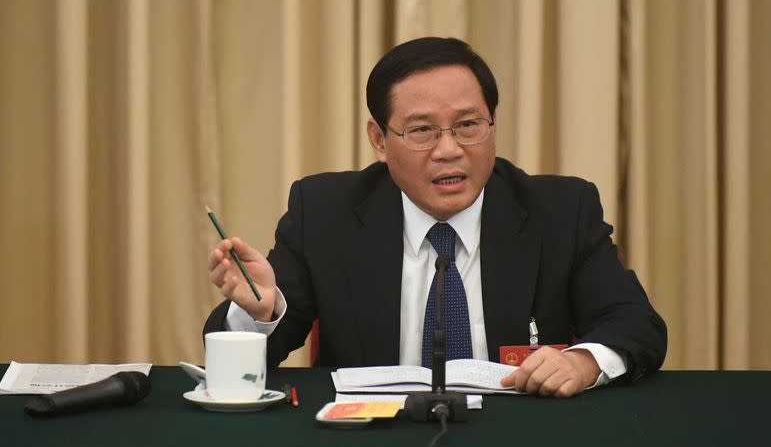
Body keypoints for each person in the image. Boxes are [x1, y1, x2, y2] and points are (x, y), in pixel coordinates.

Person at [205, 37, 667, 398]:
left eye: (468, 125)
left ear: (492, 125)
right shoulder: (326, 212)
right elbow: (254, 362)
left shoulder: (560, 210)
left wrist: (584, 362)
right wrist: (260, 313)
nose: (449, 151)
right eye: (422, 130)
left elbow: (634, 323)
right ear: (380, 139)